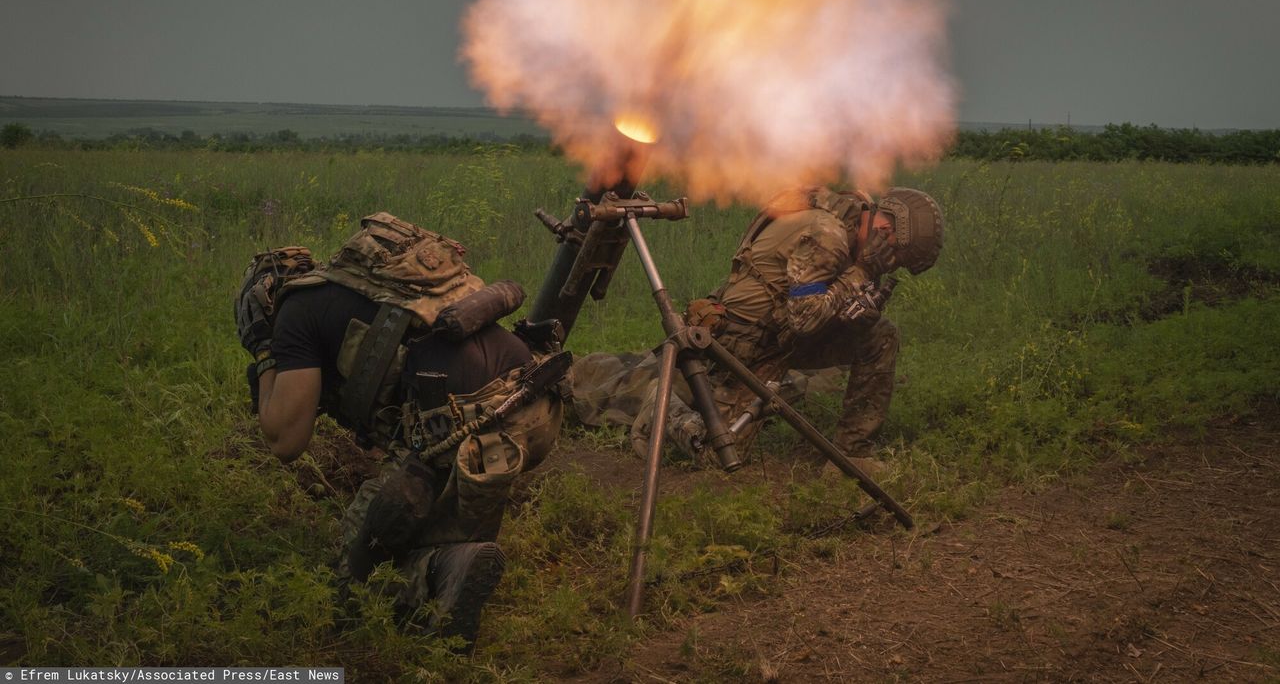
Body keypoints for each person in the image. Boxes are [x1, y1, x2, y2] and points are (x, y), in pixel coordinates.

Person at [235, 213, 566, 649]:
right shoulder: (367, 286)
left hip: (466, 430)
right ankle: (455, 538)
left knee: (352, 577)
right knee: (412, 500)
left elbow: (285, 441)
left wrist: (265, 353)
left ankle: (442, 569)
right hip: (537, 407)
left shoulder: (295, 314)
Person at [571, 186, 943, 473]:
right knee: (715, 452)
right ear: (883, 227)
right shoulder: (828, 236)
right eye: (894, 255)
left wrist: (859, 307)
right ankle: (660, 404)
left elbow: (810, 312)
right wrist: (860, 273)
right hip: (745, 343)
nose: (889, 265)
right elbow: (805, 317)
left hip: (784, 335)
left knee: (880, 335)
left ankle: (851, 454)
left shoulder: (851, 215)